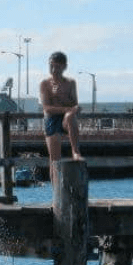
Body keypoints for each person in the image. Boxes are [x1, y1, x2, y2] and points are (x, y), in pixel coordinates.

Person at [39, 51, 82, 182]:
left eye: (57, 66)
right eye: (51, 66)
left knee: (70, 116)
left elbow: (74, 104)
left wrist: (62, 98)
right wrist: (57, 98)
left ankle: (75, 151)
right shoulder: (45, 84)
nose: (54, 69)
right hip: (52, 120)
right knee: (55, 160)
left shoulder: (70, 83)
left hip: (66, 118)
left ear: (64, 67)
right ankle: (56, 197)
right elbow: (47, 108)